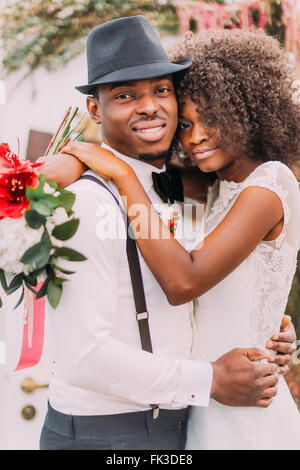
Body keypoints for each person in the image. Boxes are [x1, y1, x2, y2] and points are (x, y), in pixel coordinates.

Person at [39, 19, 297, 450]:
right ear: (96, 110)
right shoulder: (93, 201)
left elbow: (185, 281)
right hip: (121, 430)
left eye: (161, 91)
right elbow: (83, 355)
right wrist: (89, 163)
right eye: (125, 95)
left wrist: (267, 326)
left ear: (244, 109)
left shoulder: (253, 185)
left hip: (211, 416)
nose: (195, 137)